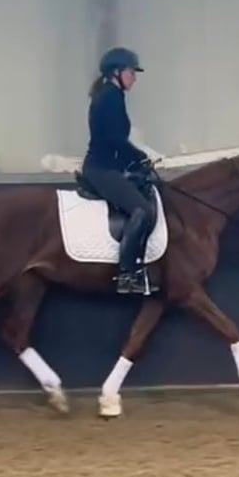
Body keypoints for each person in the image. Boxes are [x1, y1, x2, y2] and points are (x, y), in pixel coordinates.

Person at [81, 46, 159, 295]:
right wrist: (140, 158)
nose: (134, 78)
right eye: (131, 73)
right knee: (142, 210)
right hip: (101, 169)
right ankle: (128, 274)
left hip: (107, 165)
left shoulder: (108, 94)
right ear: (116, 72)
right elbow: (114, 139)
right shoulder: (111, 96)